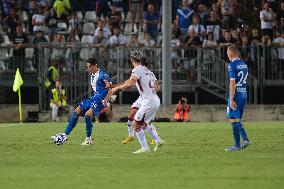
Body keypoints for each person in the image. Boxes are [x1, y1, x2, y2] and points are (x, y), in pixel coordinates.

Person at [105, 49, 165, 153]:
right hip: (154, 99)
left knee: (136, 124)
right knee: (142, 123)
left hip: (148, 101)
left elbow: (130, 83)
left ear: (132, 60)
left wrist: (115, 89)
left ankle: (145, 148)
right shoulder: (148, 71)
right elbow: (157, 87)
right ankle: (158, 140)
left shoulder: (137, 69)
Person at [51, 58, 111, 145]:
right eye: (87, 67)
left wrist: (106, 99)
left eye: (90, 67)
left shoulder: (103, 75)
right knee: (76, 111)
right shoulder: (92, 75)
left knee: (87, 115)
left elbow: (109, 88)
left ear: (95, 65)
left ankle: (88, 140)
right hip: (94, 98)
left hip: (100, 100)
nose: (88, 69)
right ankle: (64, 136)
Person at [225, 45, 252, 152]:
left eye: (227, 52)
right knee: (237, 119)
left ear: (231, 54)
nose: (227, 54)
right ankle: (245, 140)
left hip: (236, 95)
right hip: (244, 94)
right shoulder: (244, 64)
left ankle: (237, 145)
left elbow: (232, 83)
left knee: (233, 120)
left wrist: (231, 99)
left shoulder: (232, 65)